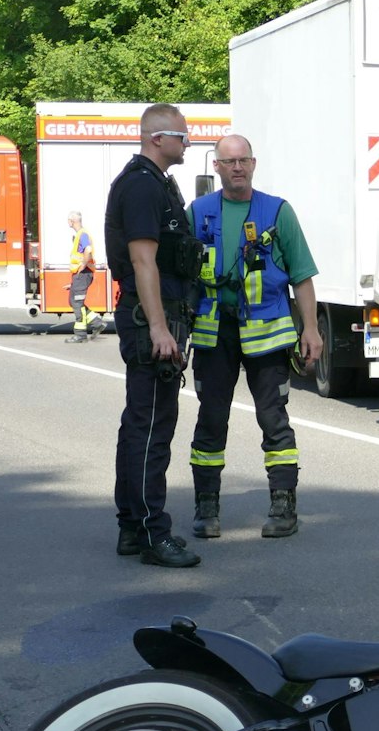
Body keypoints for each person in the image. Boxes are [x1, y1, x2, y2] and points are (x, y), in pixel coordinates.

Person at [186, 135, 323, 539]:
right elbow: (181, 277)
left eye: (243, 160)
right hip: (215, 335)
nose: (237, 167)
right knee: (211, 420)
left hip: (267, 336)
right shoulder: (198, 213)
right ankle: (206, 506)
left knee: (274, 421)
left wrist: (311, 329)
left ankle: (284, 506)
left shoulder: (278, 212)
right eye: (229, 162)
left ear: (254, 163)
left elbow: (302, 276)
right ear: (216, 167)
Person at [104, 103, 202, 567]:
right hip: (150, 321)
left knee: (140, 423)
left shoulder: (154, 183)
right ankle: (150, 532)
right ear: (158, 138)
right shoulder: (142, 186)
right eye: (182, 136)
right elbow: (143, 261)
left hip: (156, 316)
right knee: (152, 428)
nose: (187, 143)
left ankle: (130, 525)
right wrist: (160, 327)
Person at [64, 210, 101, 342]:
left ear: (71, 221)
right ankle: (96, 322)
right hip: (81, 275)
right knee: (73, 301)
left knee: (77, 303)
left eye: (68, 220)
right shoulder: (80, 234)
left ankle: (80, 335)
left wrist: (83, 265)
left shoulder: (82, 234)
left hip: (83, 274)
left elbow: (88, 250)